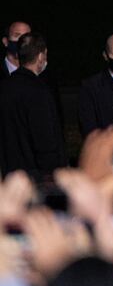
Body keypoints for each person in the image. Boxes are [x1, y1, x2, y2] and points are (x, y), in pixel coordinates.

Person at [0, 32, 66, 180]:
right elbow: (45, 140)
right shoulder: (39, 91)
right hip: (36, 177)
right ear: (41, 56)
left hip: (8, 174)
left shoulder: (4, 87)